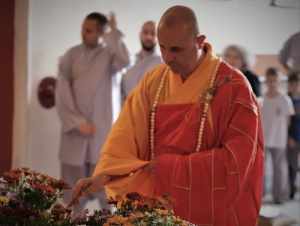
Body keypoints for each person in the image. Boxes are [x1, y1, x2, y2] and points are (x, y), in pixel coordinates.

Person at [71, 6, 264, 225]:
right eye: (162, 48)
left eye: (176, 49)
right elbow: (125, 136)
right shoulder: (154, 80)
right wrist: (102, 176)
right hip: (158, 206)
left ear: (199, 41)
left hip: (208, 208)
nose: (167, 58)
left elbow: (238, 161)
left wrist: (166, 167)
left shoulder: (234, 87)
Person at [55, 12, 129, 211]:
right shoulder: (71, 55)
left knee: (109, 201)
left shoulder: (110, 56)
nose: (83, 33)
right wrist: (77, 122)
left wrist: (112, 33)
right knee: (71, 200)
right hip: (75, 135)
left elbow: (124, 61)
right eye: (82, 29)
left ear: (100, 33)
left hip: (102, 138)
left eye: (88, 30)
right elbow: (61, 92)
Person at [261, 67, 294, 204]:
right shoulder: (261, 99)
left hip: (279, 140)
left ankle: (278, 196)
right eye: (269, 81)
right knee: (261, 170)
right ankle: (260, 195)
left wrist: (287, 136)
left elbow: (289, 120)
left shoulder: (285, 99)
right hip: (263, 140)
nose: (272, 83)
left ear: (279, 81)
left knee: (279, 169)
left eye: (274, 81)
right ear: (266, 82)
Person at [121, 20, 162, 104]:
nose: (149, 37)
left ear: (158, 37)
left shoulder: (162, 63)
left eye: (153, 33)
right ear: (140, 34)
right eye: (146, 32)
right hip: (129, 112)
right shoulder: (130, 62)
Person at [287, 71, 300, 199]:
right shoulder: (286, 99)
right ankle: (291, 190)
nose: (295, 85)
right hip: (293, 138)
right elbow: (286, 122)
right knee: (292, 166)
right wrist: (289, 137)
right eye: (292, 83)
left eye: (297, 83)